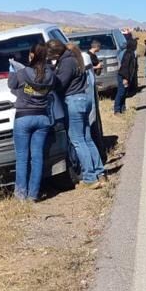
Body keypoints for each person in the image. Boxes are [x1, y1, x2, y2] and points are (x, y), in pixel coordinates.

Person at [52, 41, 106, 187]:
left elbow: (60, 84)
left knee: (78, 140)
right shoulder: (77, 60)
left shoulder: (67, 62)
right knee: (87, 139)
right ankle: (100, 172)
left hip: (74, 102)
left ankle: (90, 177)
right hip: (84, 99)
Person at [8, 43, 55, 201]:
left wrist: (12, 69)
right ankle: (33, 194)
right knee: (37, 157)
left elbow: (11, 85)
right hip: (43, 118)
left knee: (22, 158)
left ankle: (20, 195)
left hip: (24, 117)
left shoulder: (22, 73)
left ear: (32, 55)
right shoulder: (50, 74)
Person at [115, 38, 138, 113]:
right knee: (121, 93)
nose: (136, 46)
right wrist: (125, 78)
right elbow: (125, 67)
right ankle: (117, 110)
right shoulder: (128, 54)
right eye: (135, 45)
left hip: (126, 76)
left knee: (124, 93)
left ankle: (123, 108)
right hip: (123, 76)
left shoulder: (131, 53)